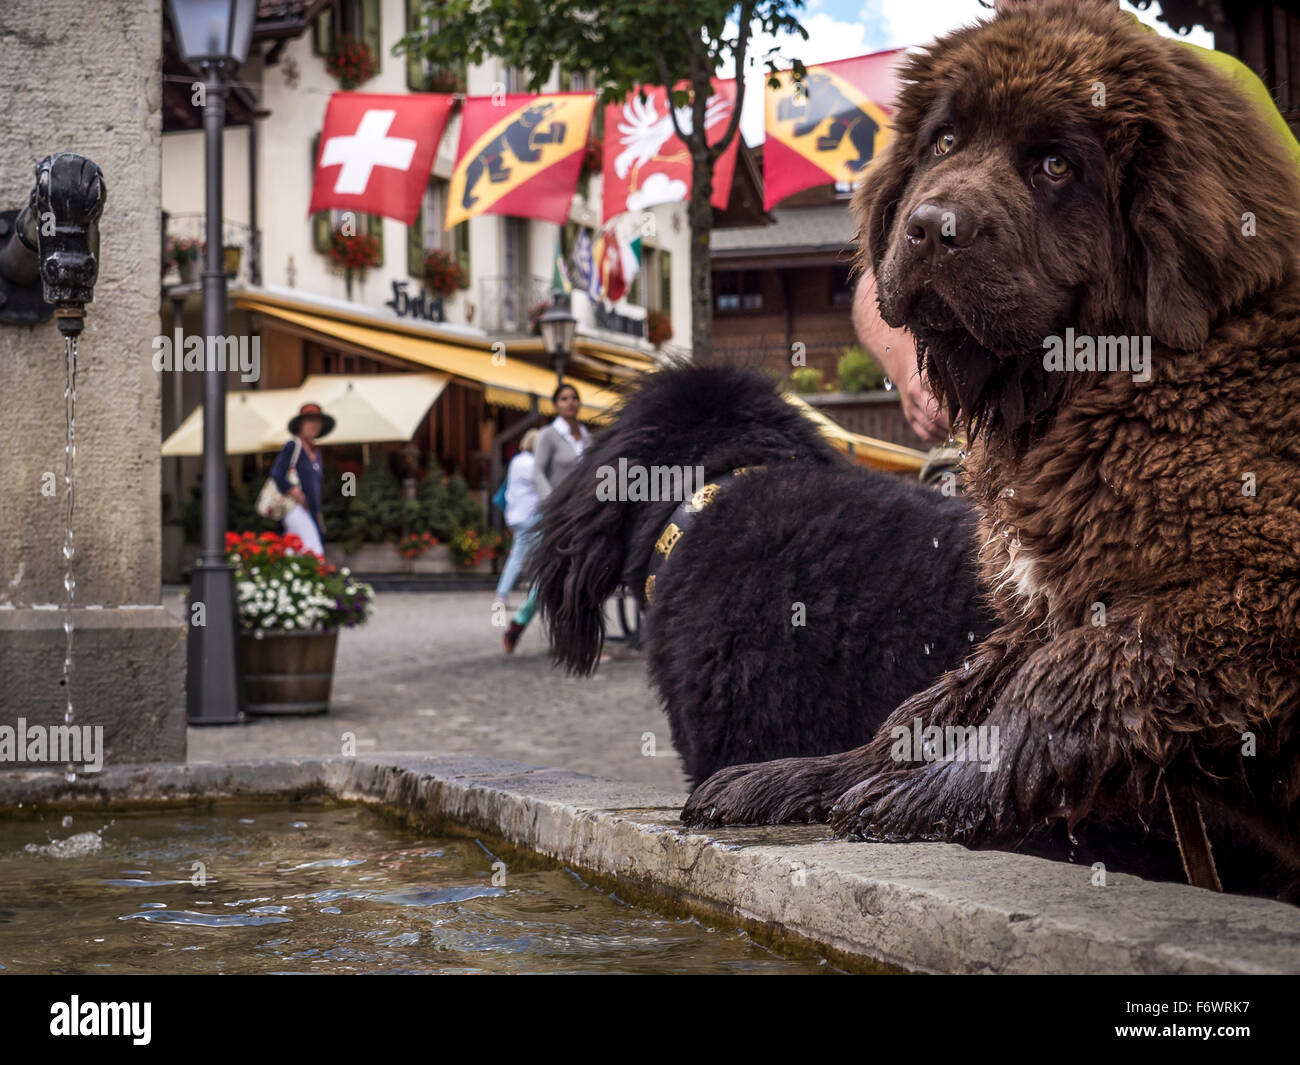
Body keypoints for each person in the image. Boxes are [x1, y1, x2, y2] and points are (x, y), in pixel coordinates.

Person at [857, 0, 1300, 445]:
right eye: (947, 140)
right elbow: (877, 268)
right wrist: (905, 360)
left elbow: (1274, 258)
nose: (940, 216)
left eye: (1054, 165)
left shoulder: (1210, 87)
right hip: (985, 441)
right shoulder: (960, 63)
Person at [503, 383, 591, 653]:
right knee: (551, 577)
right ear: (556, 405)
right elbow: (538, 473)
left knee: (583, 574)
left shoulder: (586, 436)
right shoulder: (548, 435)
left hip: (582, 515)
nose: (570, 403)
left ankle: (578, 637)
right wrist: (553, 503)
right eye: (564, 399)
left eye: (574, 398)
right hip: (555, 516)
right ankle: (519, 623)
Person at [269, 401, 333, 558]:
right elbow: (277, 473)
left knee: (294, 551)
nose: (314, 425)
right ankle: (318, 579)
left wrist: (317, 512)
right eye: (309, 420)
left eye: (317, 421)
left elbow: (316, 486)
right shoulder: (293, 445)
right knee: (313, 550)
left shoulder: (316, 452)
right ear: (300, 424)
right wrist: (296, 492)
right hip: (294, 507)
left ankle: (287, 580)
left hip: (309, 510)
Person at [493, 428, 541, 603]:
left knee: (523, 554)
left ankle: (505, 593)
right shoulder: (531, 464)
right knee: (527, 555)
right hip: (529, 516)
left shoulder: (516, 461)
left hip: (515, 515)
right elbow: (543, 485)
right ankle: (506, 594)